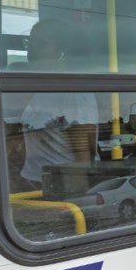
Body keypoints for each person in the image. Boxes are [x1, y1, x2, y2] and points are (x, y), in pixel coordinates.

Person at [18, 20, 98, 190]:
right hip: (31, 182)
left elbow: (82, 158)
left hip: (58, 187)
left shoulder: (74, 92)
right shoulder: (43, 86)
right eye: (29, 42)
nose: (30, 49)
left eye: (39, 44)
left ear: (63, 51)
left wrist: (77, 200)